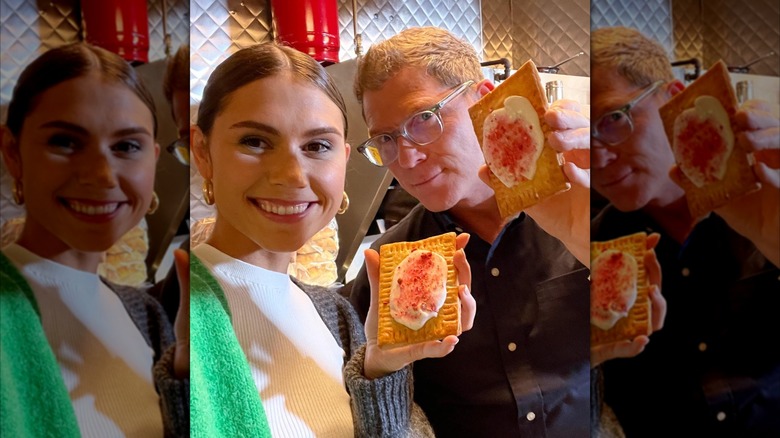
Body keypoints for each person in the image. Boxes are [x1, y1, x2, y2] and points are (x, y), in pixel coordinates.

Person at [189, 42, 476, 437]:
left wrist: (380, 371)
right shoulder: (162, 323)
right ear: (202, 152)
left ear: (343, 158)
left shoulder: (338, 316)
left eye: (317, 146)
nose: (292, 175)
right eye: (255, 141)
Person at [347, 26, 592, 437]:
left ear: (482, 98)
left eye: (424, 119)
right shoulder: (388, 270)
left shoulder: (581, 208)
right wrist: (376, 371)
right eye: (385, 139)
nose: (406, 158)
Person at [590, 26, 780, 437]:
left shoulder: (766, 198)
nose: (598, 158)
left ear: (673, 98)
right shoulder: (589, 252)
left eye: (614, 119)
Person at [0, 43, 189, 437]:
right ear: (13, 153)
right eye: (65, 142)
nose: (102, 175)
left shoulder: (149, 317)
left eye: (126, 146)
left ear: (153, 158)